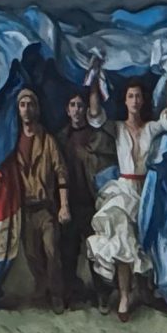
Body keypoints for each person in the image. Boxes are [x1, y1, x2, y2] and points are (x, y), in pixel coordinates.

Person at [85, 56, 167, 321]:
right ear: (125, 101)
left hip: (147, 190)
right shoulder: (117, 128)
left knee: (146, 242)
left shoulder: (151, 128)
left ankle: (145, 291)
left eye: (138, 96)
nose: (135, 101)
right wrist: (93, 80)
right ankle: (125, 295)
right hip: (124, 190)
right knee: (122, 240)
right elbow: (95, 115)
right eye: (130, 96)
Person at [6, 87, 69, 311]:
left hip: (45, 208)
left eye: (30, 104)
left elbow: (61, 172)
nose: (26, 109)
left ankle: (57, 294)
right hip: (25, 209)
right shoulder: (13, 141)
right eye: (22, 105)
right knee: (32, 254)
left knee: (51, 251)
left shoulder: (48, 141)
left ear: (37, 108)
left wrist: (64, 205)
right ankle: (42, 288)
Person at [61, 83, 107, 307]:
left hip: (91, 203)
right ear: (67, 110)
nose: (77, 109)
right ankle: (71, 295)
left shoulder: (95, 137)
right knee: (69, 252)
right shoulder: (61, 138)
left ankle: (102, 295)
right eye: (73, 105)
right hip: (69, 203)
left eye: (80, 105)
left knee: (96, 251)